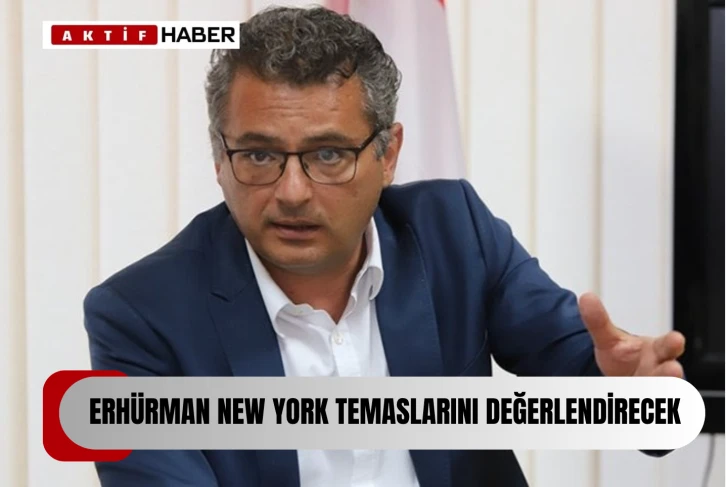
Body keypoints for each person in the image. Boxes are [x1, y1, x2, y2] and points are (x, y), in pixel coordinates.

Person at [83, 6, 686, 487]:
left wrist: (637, 396)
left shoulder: (454, 233)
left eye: (328, 154)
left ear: (388, 154)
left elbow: (598, 385)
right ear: (220, 157)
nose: (292, 192)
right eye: (259, 155)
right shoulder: (143, 315)